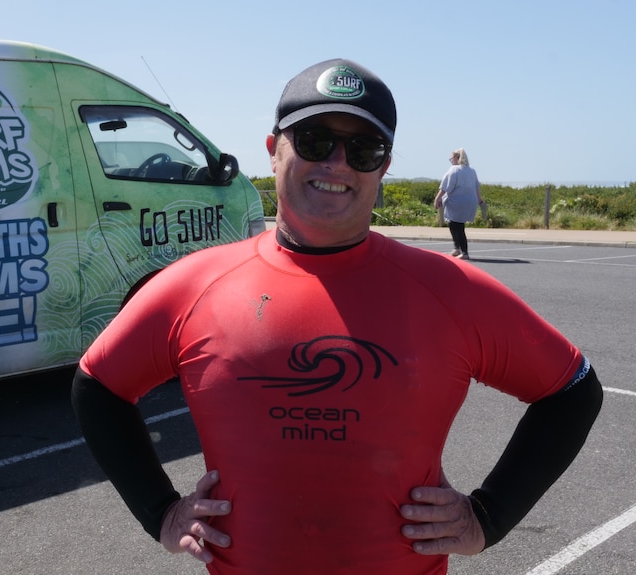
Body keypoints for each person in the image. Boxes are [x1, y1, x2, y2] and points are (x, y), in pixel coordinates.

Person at [72, 58, 603, 575]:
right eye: (315, 141)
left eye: (364, 149)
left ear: (384, 165)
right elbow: (97, 385)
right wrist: (160, 513)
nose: (338, 164)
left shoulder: (450, 291)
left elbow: (572, 389)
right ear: (272, 151)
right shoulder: (193, 286)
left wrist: (488, 515)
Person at [434, 148, 482, 260]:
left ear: (456, 158)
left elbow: (445, 187)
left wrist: (437, 199)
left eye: (451, 158)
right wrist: (479, 199)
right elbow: (476, 186)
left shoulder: (454, 170)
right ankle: (457, 248)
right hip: (470, 201)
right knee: (453, 224)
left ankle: (464, 252)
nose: (450, 161)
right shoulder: (471, 170)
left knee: (458, 226)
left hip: (457, 202)